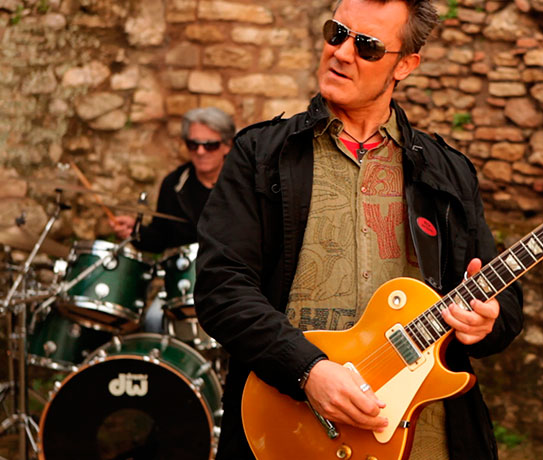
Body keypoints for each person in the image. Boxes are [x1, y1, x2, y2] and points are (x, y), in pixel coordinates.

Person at [194, 1, 524, 459]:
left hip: (423, 439)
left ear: (405, 65)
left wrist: (487, 321)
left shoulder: (447, 172)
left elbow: (503, 303)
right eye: (337, 33)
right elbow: (221, 287)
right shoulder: (261, 154)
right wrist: (307, 370)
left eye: (367, 46)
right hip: (288, 431)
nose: (342, 52)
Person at [109, 107, 235, 331]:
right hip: (184, 285)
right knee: (153, 321)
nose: (200, 151)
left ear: (227, 145)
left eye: (210, 145)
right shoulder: (174, 184)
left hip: (233, 282)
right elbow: (161, 237)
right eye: (193, 144)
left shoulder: (241, 184)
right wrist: (135, 231)